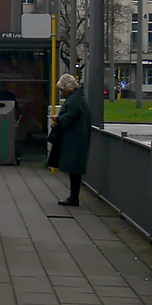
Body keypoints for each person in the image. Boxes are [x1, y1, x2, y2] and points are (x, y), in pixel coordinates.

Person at [48, 73, 92, 206]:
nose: (62, 92)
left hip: (74, 140)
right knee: (75, 169)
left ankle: (74, 197)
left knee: (74, 169)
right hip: (78, 138)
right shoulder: (79, 98)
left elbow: (69, 118)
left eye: (62, 89)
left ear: (68, 88)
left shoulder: (74, 100)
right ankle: (74, 196)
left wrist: (58, 119)